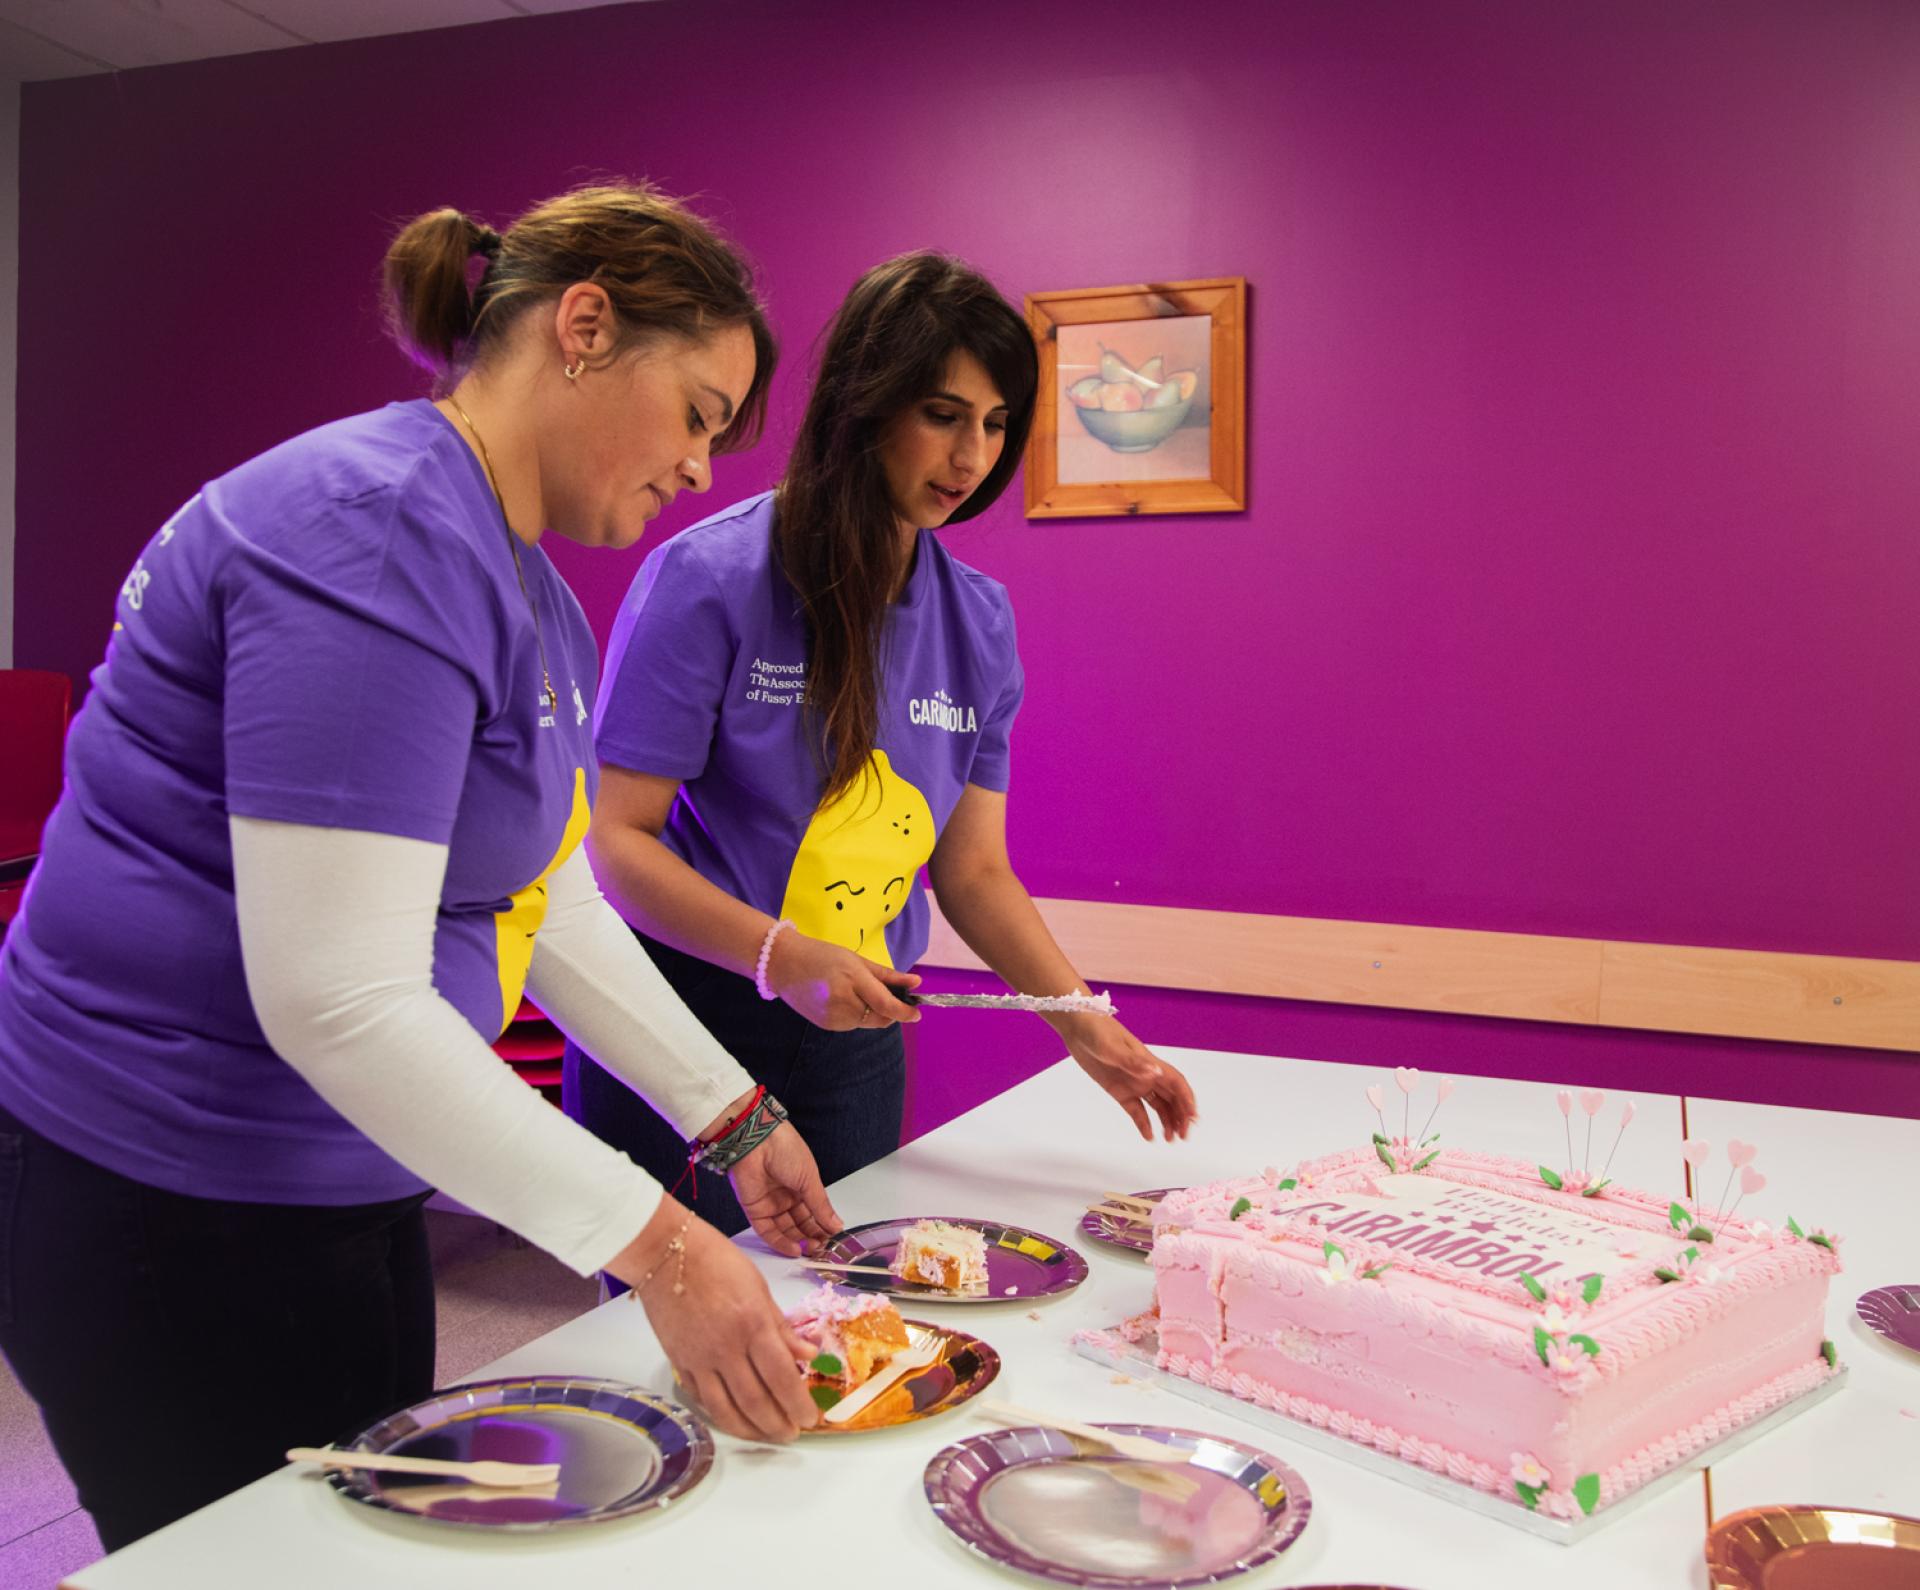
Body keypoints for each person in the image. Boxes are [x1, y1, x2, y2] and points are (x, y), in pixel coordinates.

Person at [0, 183, 839, 1553]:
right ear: (583, 326)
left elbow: (538, 887)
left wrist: (728, 1113)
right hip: (159, 1194)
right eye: (698, 410)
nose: (704, 465)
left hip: (340, 1173)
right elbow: (337, 997)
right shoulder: (375, 531)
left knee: (374, 1538)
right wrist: (663, 1244)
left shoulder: (527, 587)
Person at [565, 252, 1197, 1240]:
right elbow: (617, 844)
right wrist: (778, 955)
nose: (971, 456)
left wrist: (1087, 1027)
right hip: (682, 1016)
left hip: (856, 1033)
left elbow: (974, 871)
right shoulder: (710, 579)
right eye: (943, 415)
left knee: (839, 1317)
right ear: (868, 402)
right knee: (672, 1332)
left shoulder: (978, 622)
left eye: (995, 424)